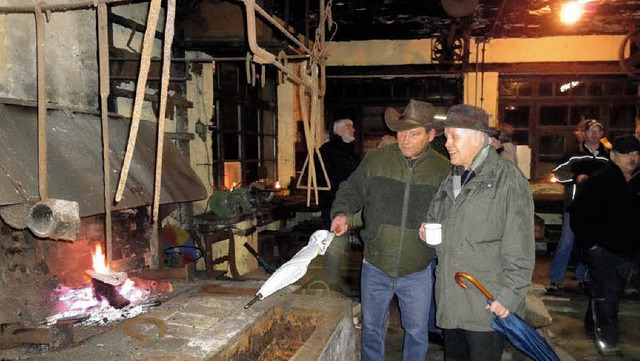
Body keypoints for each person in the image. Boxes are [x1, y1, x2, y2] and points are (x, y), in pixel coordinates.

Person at [330, 99, 451, 361]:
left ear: (430, 135)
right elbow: (351, 190)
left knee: (417, 331)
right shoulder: (376, 160)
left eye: (414, 134)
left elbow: (452, 212)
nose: (405, 140)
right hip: (375, 263)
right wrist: (342, 213)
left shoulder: (443, 170)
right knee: (372, 329)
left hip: (417, 268)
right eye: (401, 132)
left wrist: (441, 230)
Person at [422, 104, 535, 361]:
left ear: (477, 137)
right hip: (451, 301)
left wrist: (508, 298)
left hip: (487, 303)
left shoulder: (508, 180)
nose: (447, 143)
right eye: (446, 137)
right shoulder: (451, 178)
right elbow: (434, 219)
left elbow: (521, 248)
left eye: (454, 137)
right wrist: (426, 231)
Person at [569, 134, 640, 356]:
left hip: (631, 251)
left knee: (610, 293)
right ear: (613, 155)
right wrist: (590, 245)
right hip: (602, 251)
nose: (633, 158)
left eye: (636, 153)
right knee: (607, 295)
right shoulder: (598, 183)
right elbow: (578, 216)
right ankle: (607, 341)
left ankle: (593, 323)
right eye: (627, 154)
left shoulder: (638, 183)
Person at [547, 119, 610, 292]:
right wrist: (576, 177)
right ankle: (555, 279)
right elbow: (558, 173)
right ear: (584, 133)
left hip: (597, 207)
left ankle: (585, 277)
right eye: (592, 130)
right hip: (575, 206)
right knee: (567, 241)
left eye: (599, 130)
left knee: (590, 243)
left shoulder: (607, 155)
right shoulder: (573, 154)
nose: (595, 134)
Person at [315, 118, 360, 291]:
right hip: (334, 206)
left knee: (341, 244)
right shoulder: (328, 152)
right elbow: (332, 181)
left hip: (348, 206)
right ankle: (332, 284)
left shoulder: (350, 152)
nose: (353, 129)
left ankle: (340, 280)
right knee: (334, 245)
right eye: (349, 126)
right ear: (338, 130)